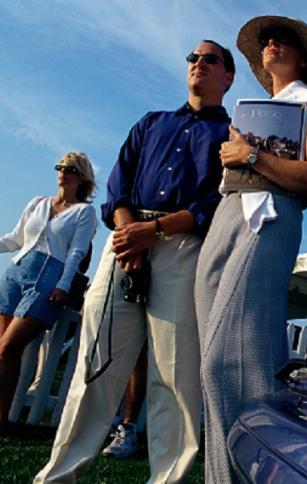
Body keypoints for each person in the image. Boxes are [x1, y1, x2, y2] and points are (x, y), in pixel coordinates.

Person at [35, 39, 235, 483]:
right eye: (193, 58)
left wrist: (155, 232)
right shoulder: (151, 122)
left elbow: (218, 201)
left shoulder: (232, 136)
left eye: (210, 59)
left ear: (228, 76)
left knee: (175, 375)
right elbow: (118, 184)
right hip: (125, 243)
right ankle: (57, 476)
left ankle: (167, 479)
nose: (198, 64)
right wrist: (131, 235)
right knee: (95, 363)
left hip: (182, 247)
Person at [194, 16, 307, 483]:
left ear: (304, 59)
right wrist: (234, 156)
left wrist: (253, 156)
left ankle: (259, 472)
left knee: (229, 360)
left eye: (284, 40)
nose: (272, 43)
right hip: (228, 212)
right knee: (214, 360)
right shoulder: (253, 111)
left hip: (270, 215)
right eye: (267, 41)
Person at [0, 152, 97, 431]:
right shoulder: (38, 203)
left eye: (71, 169)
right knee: (3, 352)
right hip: (16, 273)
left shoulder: (84, 212)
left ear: (82, 177)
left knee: (9, 347)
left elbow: (76, 252)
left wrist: (63, 285)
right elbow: (15, 239)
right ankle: (3, 417)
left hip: (48, 278)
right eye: (60, 167)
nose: (63, 172)